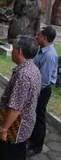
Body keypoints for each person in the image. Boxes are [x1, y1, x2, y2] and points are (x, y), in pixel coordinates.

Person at [0, 35, 41, 160]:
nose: (11, 51)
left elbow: (15, 108)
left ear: (19, 52)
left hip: (15, 129)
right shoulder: (33, 68)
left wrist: (3, 129)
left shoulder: (23, 76)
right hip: (24, 125)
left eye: (13, 48)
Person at [27, 26, 59, 156]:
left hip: (42, 90)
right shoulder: (42, 51)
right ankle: (32, 138)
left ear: (44, 38)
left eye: (39, 35)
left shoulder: (50, 55)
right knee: (33, 114)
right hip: (37, 88)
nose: (36, 36)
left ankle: (37, 146)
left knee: (39, 117)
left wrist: (34, 92)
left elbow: (44, 80)